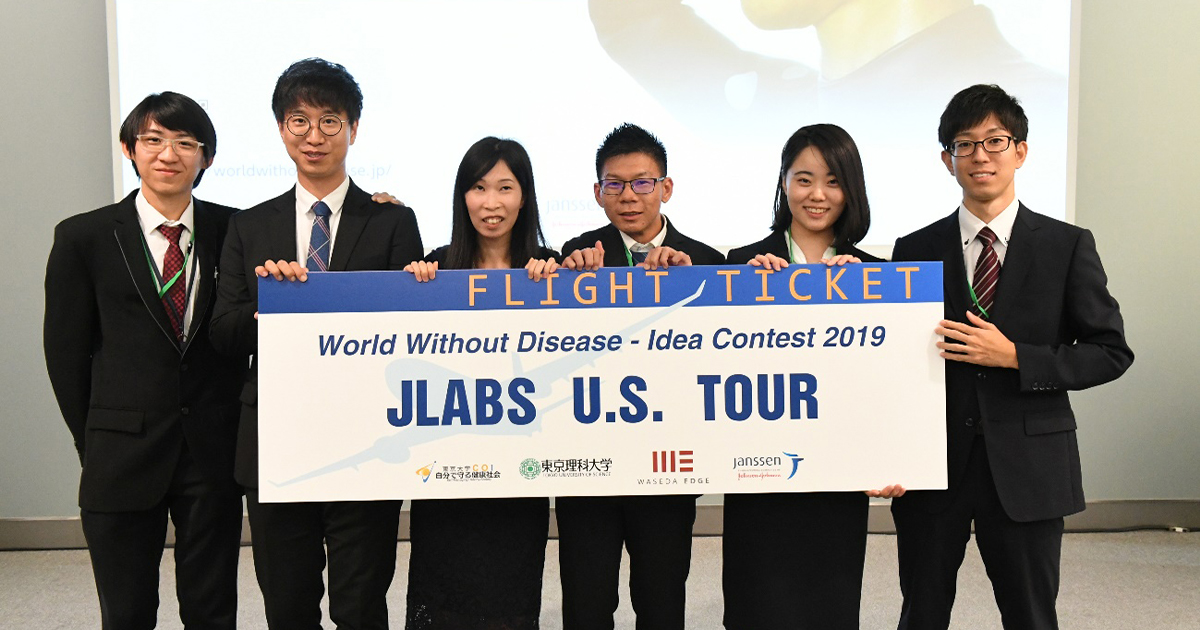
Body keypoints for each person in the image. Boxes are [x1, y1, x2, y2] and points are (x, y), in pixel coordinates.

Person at [889, 84, 1133, 630]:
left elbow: (1111, 351)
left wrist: (1018, 357)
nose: (980, 155)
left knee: (1031, 616)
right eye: (965, 144)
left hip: (1030, 468)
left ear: (1020, 151)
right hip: (935, 467)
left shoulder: (1066, 245)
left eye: (995, 141)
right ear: (947, 159)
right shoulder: (914, 249)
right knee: (921, 613)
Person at [210, 58, 424, 630]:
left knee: (361, 605)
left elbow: (409, 331)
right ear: (281, 129)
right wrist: (273, 306)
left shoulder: (393, 222)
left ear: (354, 129)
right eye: (299, 121)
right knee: (288, 605)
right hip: (276, 440)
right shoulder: (249, 226)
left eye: (330, 121)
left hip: (367, 434)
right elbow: (224, 332)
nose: (314, 136)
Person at [44, 92, 243, 629]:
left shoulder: (236, 231)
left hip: (212, 452)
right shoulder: (83, 237)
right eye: (153, 140)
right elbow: (65, 354)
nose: (168, 154)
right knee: (127, 613)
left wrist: (377, 206)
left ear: (206, 157)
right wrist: (94, 439)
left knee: (212, 611)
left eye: (185, 142)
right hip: (120, 453)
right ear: (129, 149)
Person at [722, 122, 903, 630]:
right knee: (757, 607)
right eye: (803, 179)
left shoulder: (875, 275)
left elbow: (887, 386)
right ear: (783, 184)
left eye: (833, 181)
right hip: (759, 476)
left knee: (829, 605)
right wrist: (749, 294)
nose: (817, 195)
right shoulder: (740, 266)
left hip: (837, 481)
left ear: (851, 189)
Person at [557, 123, 723, 630]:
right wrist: (569, 279)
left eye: (642, 182)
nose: (628, 196)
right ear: (598, 192)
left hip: (667, 468)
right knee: (587, 604)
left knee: (661, 602)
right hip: (589, 466)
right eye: (615, 184)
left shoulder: (706, 261)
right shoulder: (577, 256)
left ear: (665, 188)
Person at [402, 137, 557, 630]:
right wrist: (410, 287)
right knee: (443, 597)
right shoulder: (436, 267)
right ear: (462, 197)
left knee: (509, 600)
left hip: (519, 474)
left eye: (505, 188)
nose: (492, 202)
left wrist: (562, 288)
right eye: (479, 187)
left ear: (524, 197)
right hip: (446, 471)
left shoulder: (549, 269)